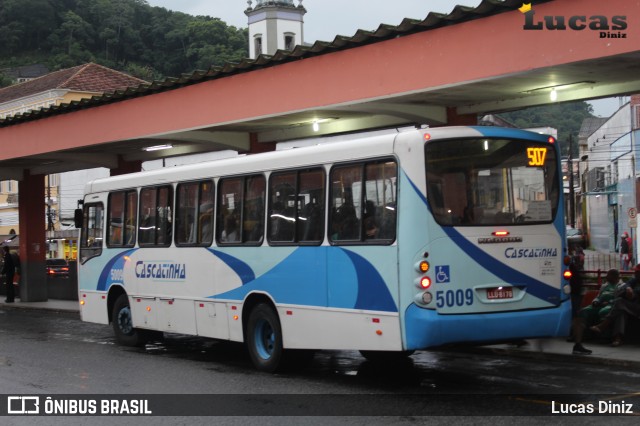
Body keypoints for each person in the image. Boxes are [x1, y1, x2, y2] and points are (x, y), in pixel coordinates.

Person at [571, 269, 621, 355]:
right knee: (584, 311)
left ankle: (604, 337)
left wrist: (608, 303)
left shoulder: (620, 286)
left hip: (610, 305)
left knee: (604, 311)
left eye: (608, 275)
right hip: (599, 304)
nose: (606, 277)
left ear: (614, 276)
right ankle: (579, 337)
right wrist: (596, 301)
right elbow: (599, 296)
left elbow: (618, 299)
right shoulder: (605, 285)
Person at [590, 263, 640, 347]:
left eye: (637, 272)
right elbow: (627, 284)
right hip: (633, 306)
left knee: (620, 302)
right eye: (635, 272)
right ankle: (618, 338)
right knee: (621, 311)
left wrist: (633, 294)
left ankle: (603, 326)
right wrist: (628, 288)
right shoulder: (635, 280)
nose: (635, 273)